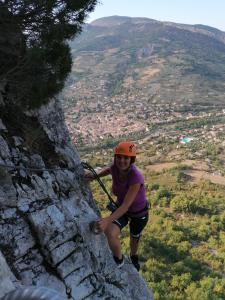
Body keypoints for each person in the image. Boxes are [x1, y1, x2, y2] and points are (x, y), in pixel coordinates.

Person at [85, 141, 149, 271]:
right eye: (119, 157)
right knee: (110, 232)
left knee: (134, 238)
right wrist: (94, 176)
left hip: (138, 213)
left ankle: (134, 255)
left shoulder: (135, 177)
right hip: (123, 210)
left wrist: (107, 220)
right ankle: (119, 260)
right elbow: (108, 170)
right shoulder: (115, 167)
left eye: (126, 158)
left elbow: (126, 205)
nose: (121, 160)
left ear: (131, 160)